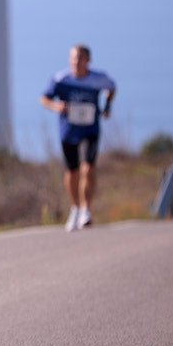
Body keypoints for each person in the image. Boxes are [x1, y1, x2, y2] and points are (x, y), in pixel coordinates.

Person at [40, 44, 117, 232]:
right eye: (74, 57)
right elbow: (44, 98)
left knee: (88, 168)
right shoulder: (61, 79)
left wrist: (107, 107)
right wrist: (56, 107)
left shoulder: (98, 78)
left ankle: (86, 210)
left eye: (81, 58)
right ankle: (74, 208)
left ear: (88, 60)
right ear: (69, 59)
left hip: (90, 130)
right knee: (72, 172)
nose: (77, 61)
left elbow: (112, 87)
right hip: (68, 131)